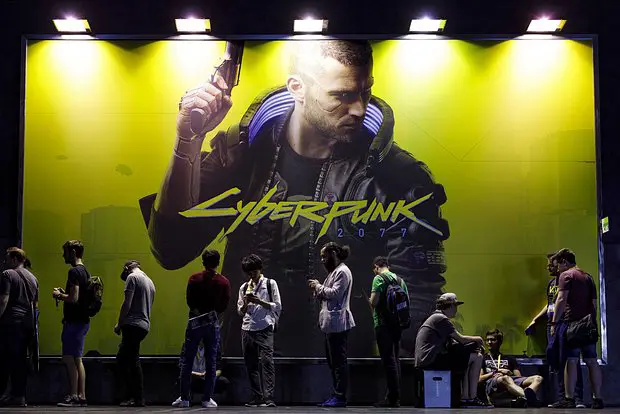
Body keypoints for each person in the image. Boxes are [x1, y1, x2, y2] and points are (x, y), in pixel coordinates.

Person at [140, 39, 449, 358]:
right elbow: (171, 249)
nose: (359, 108)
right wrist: (188, 139)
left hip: (343, 369)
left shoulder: (400, 177)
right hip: (243, 362)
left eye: (365, 91)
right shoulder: (242, 153)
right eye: (342, 95)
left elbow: (415, 309)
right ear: (297, 88)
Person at [172, 250, 231, 409]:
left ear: (203, 262)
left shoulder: (194, 279)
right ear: (218, 262)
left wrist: (198, 312)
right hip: (212, 323)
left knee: (188, 360)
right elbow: (224, 304)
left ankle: (185, 398)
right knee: (211, 361)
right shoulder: (224, 282)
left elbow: (190, 300)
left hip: (195, 322)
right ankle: (207, 398)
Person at [526, 252, 585, 408]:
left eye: (551, 265)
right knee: (555, 361)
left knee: (571, 360)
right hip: (552, 325)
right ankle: (561, 397)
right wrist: (536, 319)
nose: (549, 268)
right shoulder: (552, 283)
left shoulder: (569, 280)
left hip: (566, 323)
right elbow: (550, 304)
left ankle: (577, 398)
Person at [548, 248, 604, 409]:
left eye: (558, 264)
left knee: (571, 360)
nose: (557, 268)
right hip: (589, 324)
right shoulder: (588, 277)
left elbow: (561, 299)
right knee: (592, 361)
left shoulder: (566, 275)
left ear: (564, 262)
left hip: (572, 324)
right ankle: (598, 398)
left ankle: (569, 398)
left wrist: (554, 323)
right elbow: (594, 304)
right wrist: (592, 323)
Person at [414, 293, 489, 408]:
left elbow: (454, 343)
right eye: (455, 306)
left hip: (428, 359)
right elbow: (461, 339)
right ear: (450, 306)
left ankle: (466, 396)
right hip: (430, 360)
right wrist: (478, 339)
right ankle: (471, 397)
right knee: (477, 357)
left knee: (469, 357)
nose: (456, 310)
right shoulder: (440, 318)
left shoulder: (436, 318)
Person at [308, 242, 355, 407]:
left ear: (333, 254)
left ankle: (340, 396)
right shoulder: (334, 272)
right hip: (331, 324)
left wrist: (318, 286)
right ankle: (336, 394)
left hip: (338, 324)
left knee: (338, 363)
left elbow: (334, 294)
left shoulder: (342, 272)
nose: (322, 260)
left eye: (324, 256)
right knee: (333, 362)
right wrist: (318, 289)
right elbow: (326, 295)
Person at [237, 254, 281, 407]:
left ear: (260, 269)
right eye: (249, 273)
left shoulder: (270, 284)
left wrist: (259, 301)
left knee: (267, 362)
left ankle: (269, 398)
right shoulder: (244, 287)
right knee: (251, 364)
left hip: (265, 327)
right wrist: (245, 303)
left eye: (254, 272)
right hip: (247, 328)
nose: (252, 276)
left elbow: (277, 306)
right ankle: (257, 397)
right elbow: (240, 311)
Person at [52, 240, 90, 407]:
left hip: (74, 322)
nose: (63, 256)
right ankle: (81, 396)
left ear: (73, 252)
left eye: (65, 252)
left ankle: (74, 395)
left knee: (69, 358)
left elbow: (73, 298)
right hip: (82, 321)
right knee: (77, 359)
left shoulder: (74, 272)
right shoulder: (85, 271)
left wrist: (59, 295)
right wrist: (65, 293)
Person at [114, 260, 155, 407]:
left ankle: (134, 397)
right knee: (132, 359)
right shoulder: (150, 282)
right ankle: (136, 397)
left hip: (132, 324)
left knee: (125, 361)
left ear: (127, 268)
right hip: (144, 325)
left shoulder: (132, 278)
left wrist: (119, 324)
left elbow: (127, 303)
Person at [0, 247, 38, 407]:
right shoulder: (33, 278)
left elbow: (4, 299)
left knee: (5, 360)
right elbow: (35, 305)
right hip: (27, 324)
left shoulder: (8, 274)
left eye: (7, 258)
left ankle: (4, 394)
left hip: (11, 323)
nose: (5, 261)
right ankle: (19, 396)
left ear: (15, 259)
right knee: (20, 360)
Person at [368, 256, 408, 408]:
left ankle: (392, 398)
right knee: (395, 360)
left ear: (376, 267)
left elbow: (374, 301)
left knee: (388, 361)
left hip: (383, 324)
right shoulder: (400, 280)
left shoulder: (378, 279)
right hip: (397, 325)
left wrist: (370, 301)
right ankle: (396, 396)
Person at [480, 329, 542, 407]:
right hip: (492, 382)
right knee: (505, 378)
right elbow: (480, 379)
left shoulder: (510, 359)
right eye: (487, 340)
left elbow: (519, 377)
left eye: (493, 340)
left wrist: (510, 373)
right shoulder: (482, 358)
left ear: (499, 342)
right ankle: (530, 398)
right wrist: (494, 372)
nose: (489, 342)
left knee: (538, 378)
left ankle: (526, 398)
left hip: (510, 379)